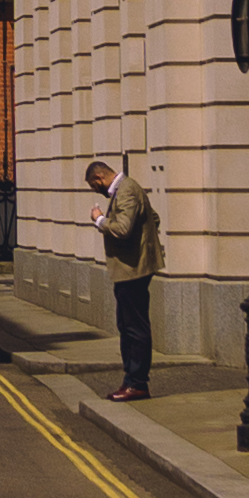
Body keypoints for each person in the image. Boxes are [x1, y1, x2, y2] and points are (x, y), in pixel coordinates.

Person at [88, 150, 163, 399]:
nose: (95, 191)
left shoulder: (127, 190)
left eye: (93, 186)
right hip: (130, 268)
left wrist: (99, 220)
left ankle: (137, 383)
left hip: (133, 270)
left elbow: (122, 229)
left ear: (99, 178)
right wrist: (147, 238)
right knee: (126, 325)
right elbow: (153, 217)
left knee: (134, 328)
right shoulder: (127, 190)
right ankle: (131, 379)